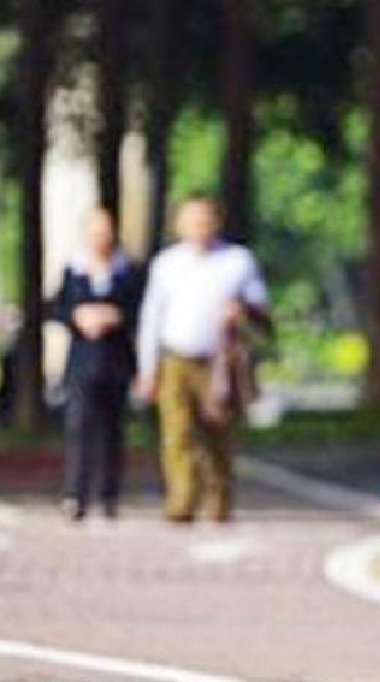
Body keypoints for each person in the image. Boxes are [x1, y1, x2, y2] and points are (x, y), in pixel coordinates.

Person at [136, 195, 270, 524]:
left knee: (218, 433)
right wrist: (147, 368)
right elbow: (151, 318)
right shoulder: (166, 264)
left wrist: (241, 311)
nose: (198, 226)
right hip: (176, 358)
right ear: (179, 225)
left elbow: (261, 308)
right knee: (177, 433)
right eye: (191, 220)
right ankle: (181, 500)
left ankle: (219, 498)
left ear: (216, 222)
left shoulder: (237, 261)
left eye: (204, 219)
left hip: (219, 361)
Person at [53, 206, 144, 521]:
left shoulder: (127, 271)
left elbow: (139, 311)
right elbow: (59, 308)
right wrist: (78, 317)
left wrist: (115, 317)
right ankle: (75, 493)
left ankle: (108, 495)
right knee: (78, 427)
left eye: (105, 232)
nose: (100, 238)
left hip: (115, 361)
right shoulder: (74, 270)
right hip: (81, 362)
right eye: (94, 232)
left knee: (112, 430)